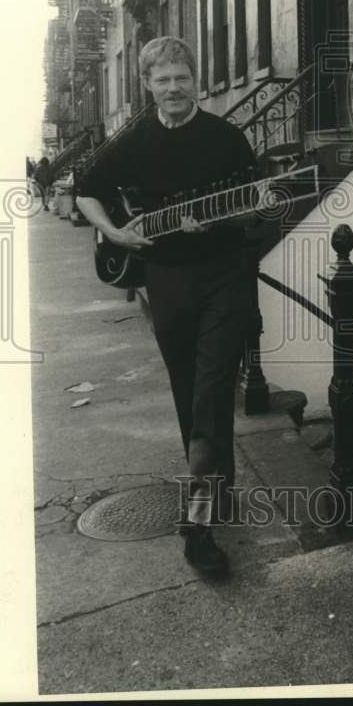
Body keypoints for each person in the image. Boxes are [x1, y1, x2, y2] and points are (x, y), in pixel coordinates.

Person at [75, 36, 256, 576]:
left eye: (181, 77)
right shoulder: (134, 141)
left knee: (213, 382)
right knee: (188, 386)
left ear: (195, 78)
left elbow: (253, 207)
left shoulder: (227, 138)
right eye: (163, 80)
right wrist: (117, 233)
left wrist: (222, 219)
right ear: (148, 85)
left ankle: (197, 523)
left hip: (225, 274)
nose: (173, 88)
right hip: (168, 278)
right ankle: (217, 488)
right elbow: (85, 189)